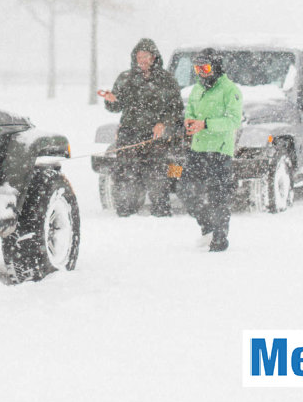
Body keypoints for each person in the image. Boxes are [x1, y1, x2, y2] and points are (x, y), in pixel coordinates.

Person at [98, 38, 184, 216]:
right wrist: (111, 100)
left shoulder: (166, 80)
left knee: (158, 174)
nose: (142, 60)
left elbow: (176, 108)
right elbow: (116, 106)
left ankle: (161, 211)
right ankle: (126, 211)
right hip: (129, 134)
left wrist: (163, 123)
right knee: (126, 174)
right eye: (139, 56)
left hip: (156, 137)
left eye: (146, 56)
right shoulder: (125, 78)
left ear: (154, 57)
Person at [183, 48, 243, 251]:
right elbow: (190, 111)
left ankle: (219, 236)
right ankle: (207, 227)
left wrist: (206, 124)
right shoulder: (196, 89)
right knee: (186, 189)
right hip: (197, 149)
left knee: (219, 195)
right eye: (197, 68)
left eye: (205, 67)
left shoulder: (230, 90)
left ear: (215, 67)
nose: (201, 72)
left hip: (219, 150)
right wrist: (189, 122)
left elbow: (233, 120)